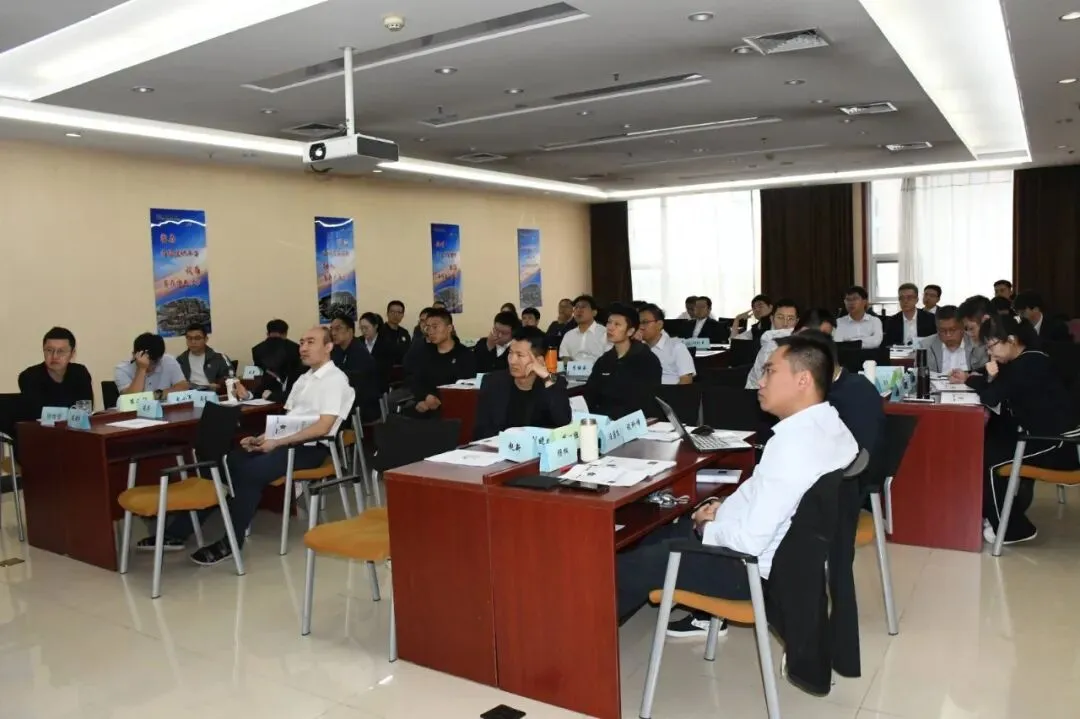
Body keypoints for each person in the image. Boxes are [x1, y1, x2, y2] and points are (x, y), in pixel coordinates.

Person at [617, 333, 858, 630]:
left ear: (803, 380)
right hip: (790, 560)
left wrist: (706, 527)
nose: (761, 382)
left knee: (629, 566)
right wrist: (725, 506)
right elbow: (771, 495)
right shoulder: (832, 425)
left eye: (770, 372)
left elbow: (749, 542)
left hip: (749, 570)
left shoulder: (792, 446)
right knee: (654, 536)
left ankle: (586, 639)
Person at [145, 327, 352, 565]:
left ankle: (231, 542)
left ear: (328, 347)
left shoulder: (335, 379)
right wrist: (260, 438)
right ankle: (179, 532)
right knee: (228, 461)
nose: (303, 347)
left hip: (311, 448)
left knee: (249, 472)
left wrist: (277, 442)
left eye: (311, 342)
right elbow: (286, 421)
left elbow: (323, 427)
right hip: (286, 442)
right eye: (302, 342)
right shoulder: (304, 379)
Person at [967, 314, 1079, 545]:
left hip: (1059, 444)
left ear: (1011, 339)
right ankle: (995, 514)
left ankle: (1014, 530)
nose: (991, 354)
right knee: (989, 448)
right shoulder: (1025, 359)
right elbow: (997, 392)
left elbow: (992, 396)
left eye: (992, 346)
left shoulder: (1028, 364)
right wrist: (984, 379)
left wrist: (985, 378)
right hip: (1041, 435)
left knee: (992, 462)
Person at [473, 327, 573, 439]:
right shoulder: (493, 381)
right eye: (510, 353)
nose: (512, 361)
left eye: (520, 355)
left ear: (539, 360)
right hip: (499, 446)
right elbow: (481, 430)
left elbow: (563, 421)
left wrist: (546, 377)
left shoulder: (553, 382)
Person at [583, 303, 662, 419]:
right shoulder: (604, 360)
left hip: (632, 421)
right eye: (609, 322)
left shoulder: (646, 360)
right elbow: (590, 394)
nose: (610, 327)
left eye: (617, 324)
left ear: (630, 331)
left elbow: (645, 402)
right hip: (603, 420)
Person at [408, 308, 477, 416]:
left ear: (449, 328)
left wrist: (437, 399)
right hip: (424, 405)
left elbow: (465, 388)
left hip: (452, 409)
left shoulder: (465, 355)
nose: (430, 331)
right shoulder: (424, 353)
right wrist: (424, 397)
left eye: (435, 327)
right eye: (428, 327)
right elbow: (416, 380)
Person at [17, 327, 94, 421]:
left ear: (72, 353)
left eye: (61, 351)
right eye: (49, 350)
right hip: (41, 429)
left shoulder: (80, 373)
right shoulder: (29, 377)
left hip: (75, 429)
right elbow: (38, 414)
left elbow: (85, 412)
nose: (54, 356)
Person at [328, 314, 380, 421]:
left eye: (338, 328)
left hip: (361, 405)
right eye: (331, 329)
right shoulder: (335, 350)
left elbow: (357, 383)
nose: (333, 333)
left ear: (350, 331)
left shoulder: (361, 353)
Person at [743, 299, 801, 389]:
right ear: (772, 319)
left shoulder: (800, 341)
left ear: (797, 321)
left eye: (790, 318)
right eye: (780, 317)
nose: (785, 323)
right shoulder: (768, 340)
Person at [115, 333, 188, 398]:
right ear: (134, 355)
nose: (150, 367)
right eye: (147, 362)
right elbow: (130, 398)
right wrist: (141, 369)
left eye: (155, 363)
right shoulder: (122, 369)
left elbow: (183, 387)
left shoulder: (168, 360)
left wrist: (155, 395)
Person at [639, 304, 695, 385]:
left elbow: (686, 380)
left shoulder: (677, 346)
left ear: (659, 324)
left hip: (670, 391)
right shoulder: (638, 348)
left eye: (645, 322)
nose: (640, 327)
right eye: (638, 323)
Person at [925, 305, 988, 374]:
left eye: (953, 330)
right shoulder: (925, 346)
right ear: (937, 329)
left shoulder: (978, 346)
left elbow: (984, 374)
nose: (948, 334)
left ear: (963, 327)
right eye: (942, 330)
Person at [236, 337, 301, 404]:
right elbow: (260, 392)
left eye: (272, 369)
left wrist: (272, 396)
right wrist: (248, 395)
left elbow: (296, 397)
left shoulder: (300, 374)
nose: (269, 372)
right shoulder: (270, 375)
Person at [953, 295, 995, 384]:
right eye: (966, 329)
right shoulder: (983, 345)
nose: (968, 334)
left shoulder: (1005, 345)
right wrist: (966, 375)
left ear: (985, 320)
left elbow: (995, 383)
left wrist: (968, 379)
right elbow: (986, 371)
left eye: (971, 328)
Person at [177, 323, 231, 391]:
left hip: (214, 393)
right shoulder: (181, 360)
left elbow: (231, 378)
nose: (193, 342)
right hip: (190, 394)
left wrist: (219, 385)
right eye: (189, 338)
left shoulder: (219, 357)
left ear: (206, 339)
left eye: (197, 338)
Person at [559, 295, 609, 361]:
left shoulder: (605, 333)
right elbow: (564, 357)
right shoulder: (568, 335)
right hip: (573, 367)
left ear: (594, 312)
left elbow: (609, 358)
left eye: (583, 307)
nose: (579, 310)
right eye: (576, 307)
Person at [359, 312, 395, 393]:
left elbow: (385, 370)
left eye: (366, 328)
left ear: (375, 326)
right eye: (361, 328)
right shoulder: (358, 342)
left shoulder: (386, 344)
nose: (363, 331)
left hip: (379, 387)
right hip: (361, 387)